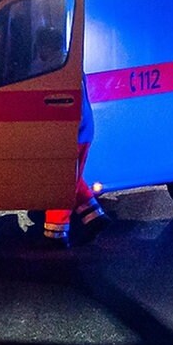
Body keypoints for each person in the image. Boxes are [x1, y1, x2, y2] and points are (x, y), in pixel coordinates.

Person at [42, 71, 106, 245]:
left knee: (62, 183)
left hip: (74, 134)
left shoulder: (59, 71)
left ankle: (56, 234)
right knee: (73, 178)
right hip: (79, 132)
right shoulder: (68, 67)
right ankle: (94, 216)